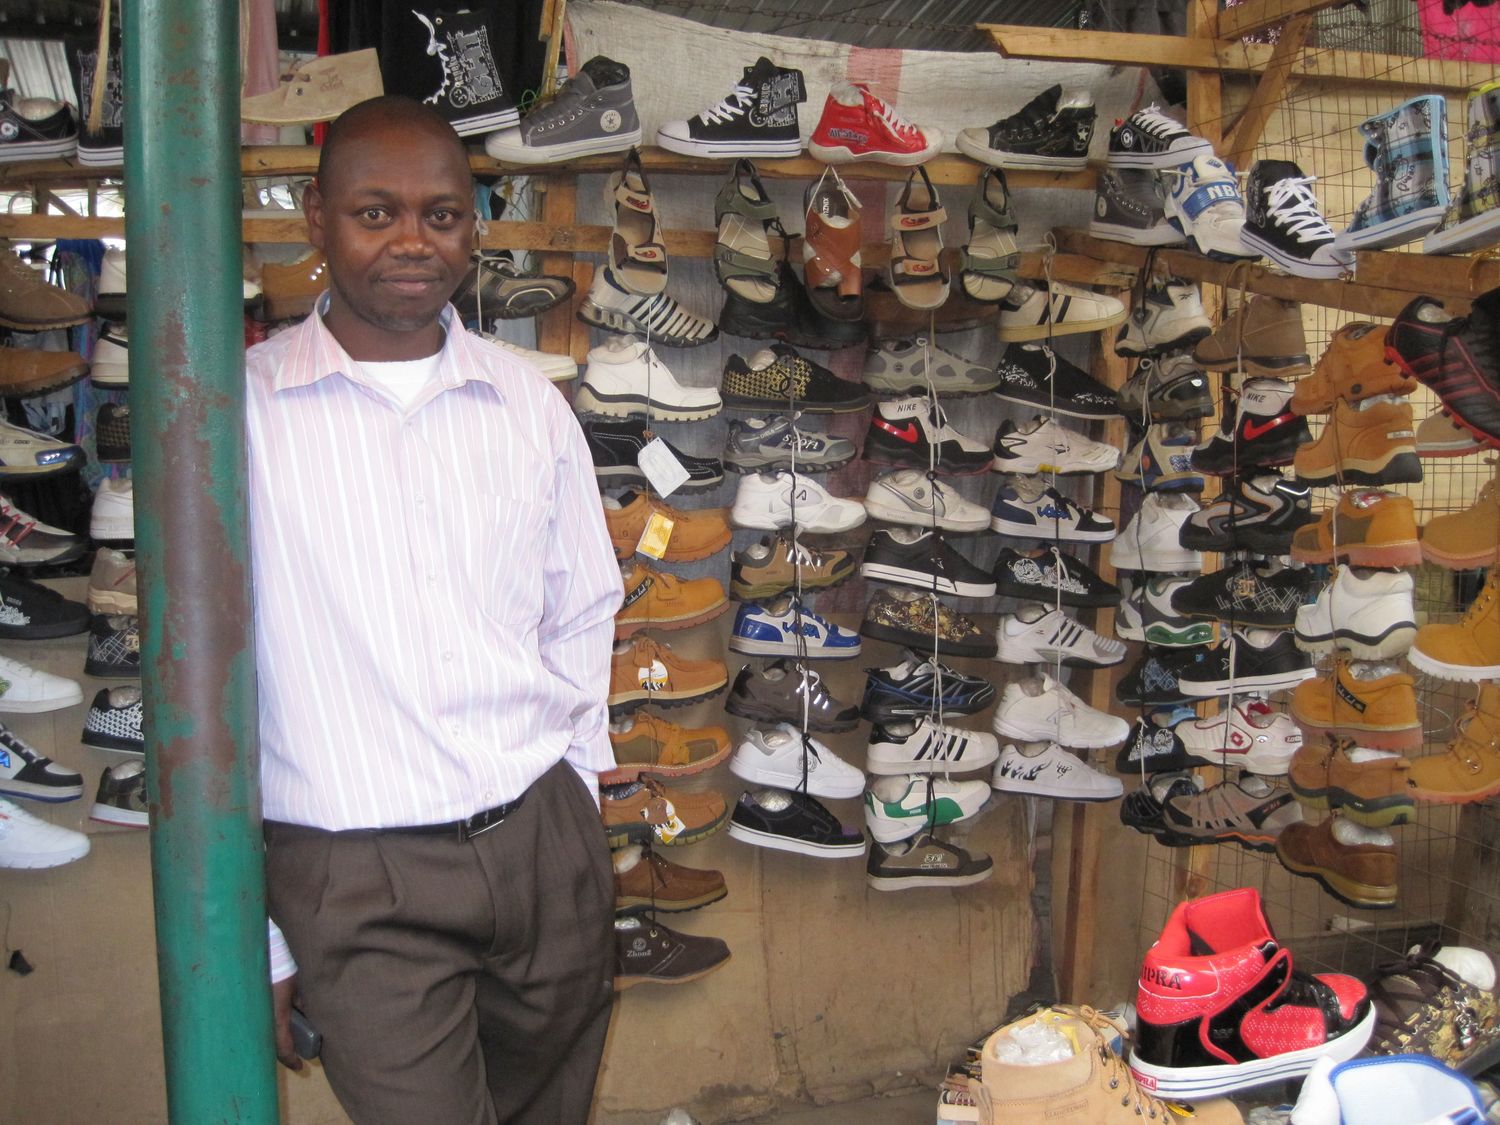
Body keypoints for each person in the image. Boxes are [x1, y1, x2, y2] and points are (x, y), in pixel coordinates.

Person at [247, 95, 621, 1124]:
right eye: (376, 213)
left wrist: (579, 801)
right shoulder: (239, 416)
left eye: (443, 214)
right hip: (354, 873)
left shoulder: (528, 403)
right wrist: (263, 938)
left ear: (475, 223)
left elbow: (582, 608)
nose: (414, 240)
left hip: (542, 843)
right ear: (315, 219)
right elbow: (205, 690)